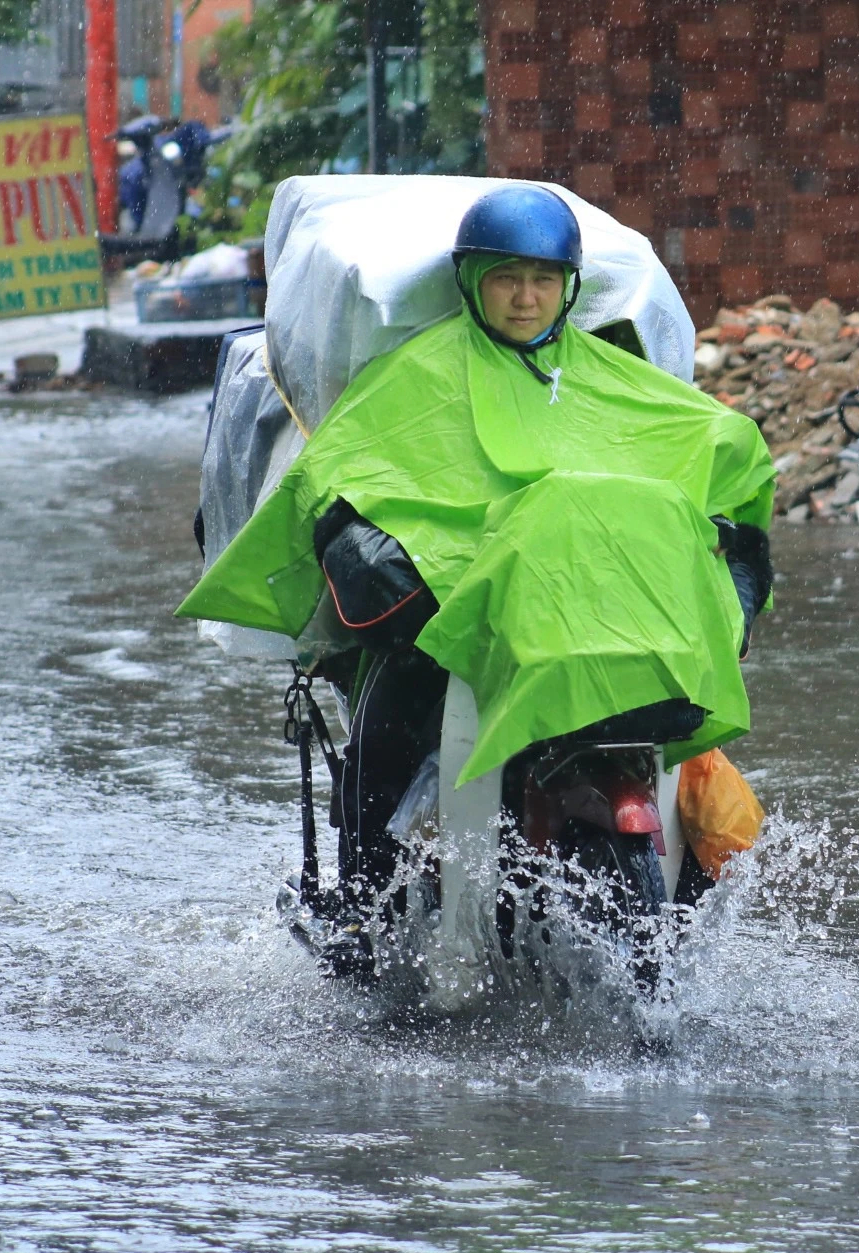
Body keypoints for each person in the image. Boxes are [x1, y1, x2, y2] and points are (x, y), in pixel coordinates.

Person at [178, 184, 776, 943]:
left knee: (692, 770)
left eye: (543, 281)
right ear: (470, 283)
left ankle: (686, 922)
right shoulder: (414, 380)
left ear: (569, 289)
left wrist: (728, 555)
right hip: (457, 622)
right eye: (504, 279)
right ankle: (360, 911)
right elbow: (338, 475)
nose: (525, 299)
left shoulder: (623, 383)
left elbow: (720, 457)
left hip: (597, 623)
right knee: (386, 722)